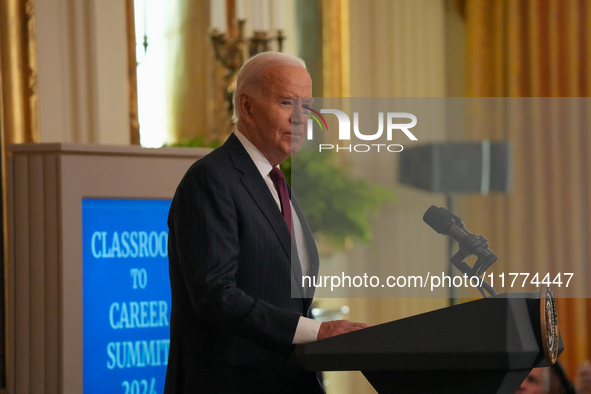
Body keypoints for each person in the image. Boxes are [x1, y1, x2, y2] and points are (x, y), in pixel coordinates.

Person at [164, 52, 368, 393]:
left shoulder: (276, 182)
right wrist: (316, 331)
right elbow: (216, 294)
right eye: (287, 102)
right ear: (246, 106)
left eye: (308, 105)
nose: (301, 119)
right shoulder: (212, 179)